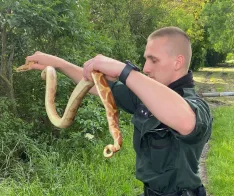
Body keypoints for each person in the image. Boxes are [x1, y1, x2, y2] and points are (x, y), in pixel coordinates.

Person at [25, 26, 212, 196]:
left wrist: (124, 71)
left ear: (177, 62)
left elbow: (186, 121)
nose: (146, 68)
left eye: (153, 60)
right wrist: (57, 63)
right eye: (146, 59)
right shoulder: (143, 96)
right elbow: (99, 87)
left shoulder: (195, 105)